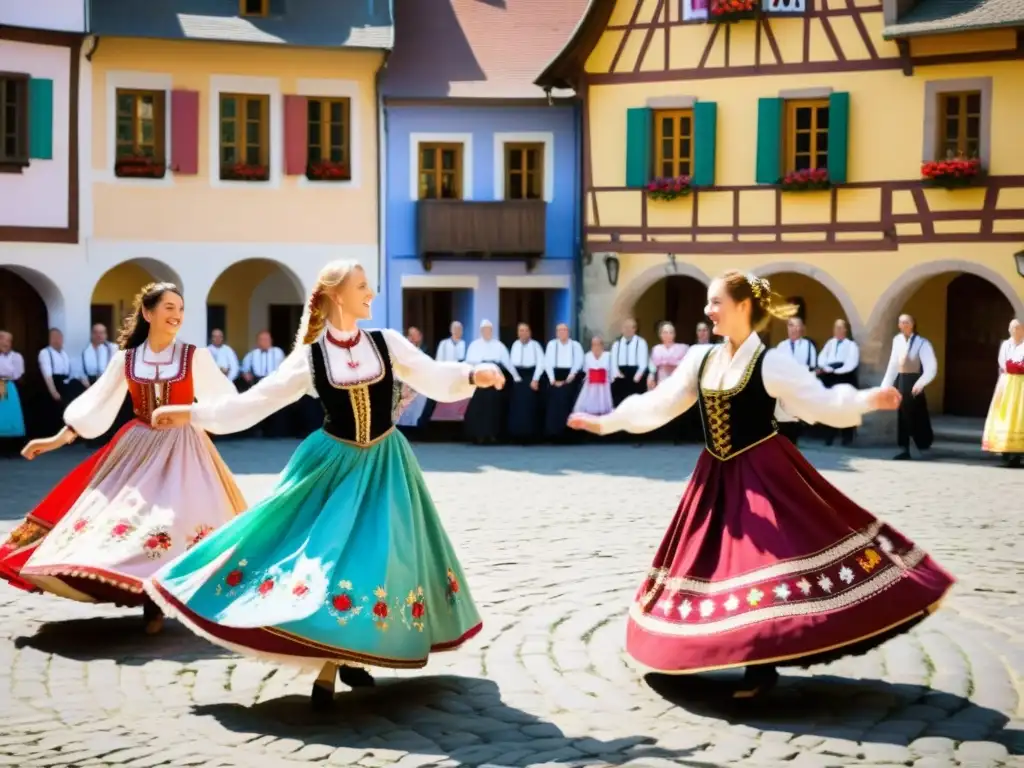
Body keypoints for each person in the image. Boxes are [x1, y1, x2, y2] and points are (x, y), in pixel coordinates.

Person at [568, 270, 954, 698]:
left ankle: (760, 665)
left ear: (743, 307)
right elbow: (658, 405)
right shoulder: (701, 359)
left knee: (762, 563)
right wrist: (607, 423)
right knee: (707, 562)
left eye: (715, 302)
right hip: (714, 476)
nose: (707, 310)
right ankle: (697, 647)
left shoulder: (770, 362)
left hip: (763, 474)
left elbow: (821, 401)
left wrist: (867, 401)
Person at [144, 260, 503, 709]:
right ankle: (332, 661)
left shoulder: (386, 344)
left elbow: (432, 374)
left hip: (386, 466)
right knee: (324, 558)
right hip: (333, 465)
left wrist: (473, 374)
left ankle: (348, 657)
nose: (371, 294)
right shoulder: (311, 356)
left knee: (378, 558)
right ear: (336, 294)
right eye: (362, 287)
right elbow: (256, 402)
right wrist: (193, 414)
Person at [0, 283, 246, 635]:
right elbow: (97, 404)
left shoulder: (195, 356)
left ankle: (166, 600)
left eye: (180, 309)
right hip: (138, 446)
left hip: (185, 449)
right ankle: (146, 598)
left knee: (176, 522)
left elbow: (226, 401)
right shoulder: (127, 360)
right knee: (129, 520)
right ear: (148, 313)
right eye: (168, 308)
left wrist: (190, 413)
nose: (176, 315)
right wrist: (56, 439)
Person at [881, 314, 937, 461]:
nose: (904, 325)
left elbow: (931, 367)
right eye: (901, 322)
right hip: (901, 381)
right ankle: (905, 448)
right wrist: (885, 386)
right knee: (903, 416)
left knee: (916, 414)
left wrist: (920, 383)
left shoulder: (922, 343)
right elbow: (893, 365)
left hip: (914, 381)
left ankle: (921, 445)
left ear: (913, 324)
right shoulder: (897, 341)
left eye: (907, 322)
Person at [982, 319, 1023, 468]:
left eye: (1018, 328)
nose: (1014, 331)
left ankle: (1018, 454)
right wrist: (1010, 368)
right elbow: (1002, 362)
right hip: (1006, 383)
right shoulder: (1005, 344)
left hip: (1021, 385)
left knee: (1019, 416)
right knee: (1004, 415)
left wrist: (1019, 367)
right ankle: (1005, 452)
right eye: (1012, 328)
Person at [464, 320, 512, 444]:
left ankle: (492, 435)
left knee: (493, 409)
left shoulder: (499, 345)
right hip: (479, 382)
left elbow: (507, 363)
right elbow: (469, 363)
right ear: (481, 331)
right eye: (484, 329)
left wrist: (516, 377)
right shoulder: (474, 345)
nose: (487, 332)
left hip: (493, 382)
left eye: (489, 329)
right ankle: (478, 435)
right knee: (479, 409)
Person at [816, 319, 860, 446]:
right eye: (836, 327)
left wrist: (836, 370)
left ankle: (847, 438)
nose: (838, 330)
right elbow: (822, 357)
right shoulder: (830, 343)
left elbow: (851, 363)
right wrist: (825, 368)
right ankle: (829, 436)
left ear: (846, 330)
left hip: (845, 376)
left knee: (846, 407)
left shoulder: (851, 345)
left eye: (841, 328)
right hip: (830, 377)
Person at [774, 317, 817, 446]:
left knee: (796, 419)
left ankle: (793, 445)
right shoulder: (782, 346)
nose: (793, 329)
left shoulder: (808, 346)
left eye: (796, 326)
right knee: (783, 417)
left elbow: (813, 366)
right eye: (790, 326)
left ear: (801, 329)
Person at [647, 322, 689, 443]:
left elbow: (685, 364)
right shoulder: (656, 349)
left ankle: (677, 436)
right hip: (662, 380)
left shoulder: (682, 348)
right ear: (660, 335)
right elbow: (652, 365)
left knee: (677, 406)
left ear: (674, 334)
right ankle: (662, 435)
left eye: (671, 332)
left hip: (676, 379)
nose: (668, 335)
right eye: (665, 332)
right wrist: (651, 376)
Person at [506, 323, 546, 444]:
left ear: (530, 332)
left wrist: (535, 379)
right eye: (521, 331)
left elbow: (541, 363)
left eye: (526, 330)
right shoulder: (515, 345)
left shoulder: (535, 346)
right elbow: (510, 363)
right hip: (518, 377)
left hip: (531, 377)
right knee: (517, 407)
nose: (523, 333)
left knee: (530, 407)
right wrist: (515, 377)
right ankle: (516, 435)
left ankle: (530, 436)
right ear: (518, 333)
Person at [543, 323, 584, 442]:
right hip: (555, 377)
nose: (562, 333)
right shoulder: (551, 345)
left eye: (564, 330)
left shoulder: (575, 345)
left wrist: (571, 375)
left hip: (570, 377)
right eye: (559, 331)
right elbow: (547, 362)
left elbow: (579, 361)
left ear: (568, 332)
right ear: (556, 333)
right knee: (554, 407)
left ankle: (569, 435)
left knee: (569, 405)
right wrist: (552, 379)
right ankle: (554, 434)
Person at [610, 318, 649, 407]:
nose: (627, 330)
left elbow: (643, 363)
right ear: (622, 329)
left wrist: (637, 377)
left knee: (636, 404)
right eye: (625, 327)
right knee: (619, 403)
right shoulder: (616, 344)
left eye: (630, 327)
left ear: (634, 329)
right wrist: (617, 373)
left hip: (636, 376)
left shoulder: (641, 342)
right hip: (620, 376)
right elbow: (613, 361)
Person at [573, 335, 613, 418]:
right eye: (594, 344)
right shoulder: (587, 356)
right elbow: (585, 370)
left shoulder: (608, 355)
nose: (596, 346)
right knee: (588, 411)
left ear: (602, 345)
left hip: (604, 386)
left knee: (604, 412)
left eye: (598, 344)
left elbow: (611, 371)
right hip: (590, 386)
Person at [0, 331, 26, 456]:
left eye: (8, 340)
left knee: (11, 414)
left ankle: (12, 448)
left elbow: (17, 373)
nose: (5, 343)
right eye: (2, 339)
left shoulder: (16, 357)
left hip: (8, 385)